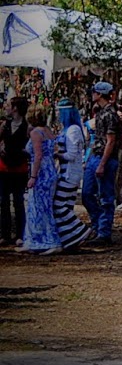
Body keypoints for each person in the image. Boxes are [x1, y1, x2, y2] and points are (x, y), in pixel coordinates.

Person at [81, 82, 122, 246]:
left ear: (100, 94)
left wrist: (102, 164)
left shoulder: (110, 115)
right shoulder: (99, 113)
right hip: (95, 156)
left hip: (105, 158)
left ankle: (104, 232)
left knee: (106, 197)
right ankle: (97, 224)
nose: (92, 95)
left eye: (94, 92)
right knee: (86, 194)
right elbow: (97, 140)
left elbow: (110, 141)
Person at [22, 102, 64, 253]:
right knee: (41, 206)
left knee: (39, 207)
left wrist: (33, 176)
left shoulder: (36, 133)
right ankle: (33, 241)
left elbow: (38, 155)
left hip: (41, 172)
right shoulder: (48, 131)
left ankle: (50, 241)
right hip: (50, 169)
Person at [53, 101, 91, 250]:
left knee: (58, 206)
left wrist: (57, 154)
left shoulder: (73, 130)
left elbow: (72, 154)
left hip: (70, 175)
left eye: (59, 112)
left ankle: (82, 231)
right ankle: (71, 239)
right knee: (67, 206)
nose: (58, 115)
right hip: (66, 173)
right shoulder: (68, 129)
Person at [1, 97, 29, 245]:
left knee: (18, 201)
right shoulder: (5, 125)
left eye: (9, 105)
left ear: (15, 108)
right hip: (4, 168)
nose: (6, 107)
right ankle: (5, 233)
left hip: (19, 168)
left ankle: (20, 233)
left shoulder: (27, 127)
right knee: (3, 201)